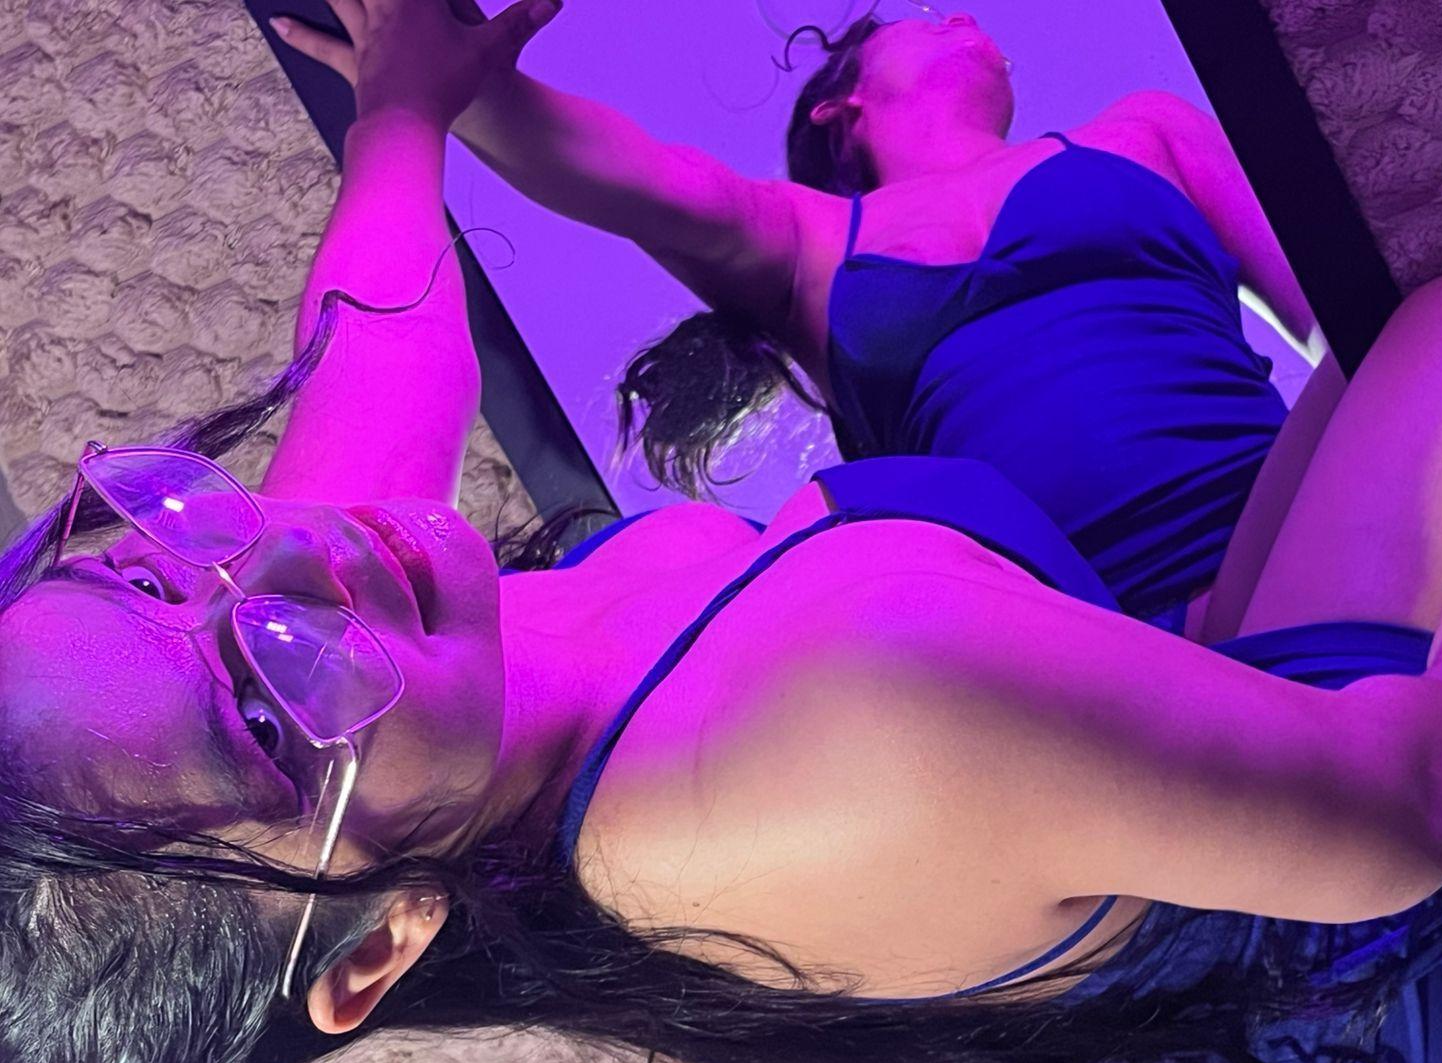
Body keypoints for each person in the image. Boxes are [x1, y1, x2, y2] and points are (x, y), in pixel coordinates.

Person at [4, 4, 1442, 1063]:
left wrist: (403, 109)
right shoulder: (830, 729)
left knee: (1385, 377)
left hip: (1040, 803)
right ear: (378, 946)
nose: (287, 558)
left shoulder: (342, 616)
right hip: (1291, 999)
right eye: (264, 696)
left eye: (143, 558)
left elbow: (379, 342)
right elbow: (1386, 822)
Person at [271, 0, 1334, 642]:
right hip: (1076, 644)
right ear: (841, 103)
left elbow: (1349, 317)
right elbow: (618, 170)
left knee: (1435, 331)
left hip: (1297, 531)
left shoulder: (1145, 134)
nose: (967, 19)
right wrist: (431, 82)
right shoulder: (809, 241)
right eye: (926, 16)